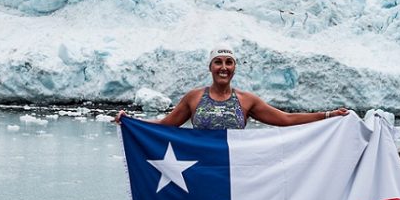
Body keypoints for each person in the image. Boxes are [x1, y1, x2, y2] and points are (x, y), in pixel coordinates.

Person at [115, 45, 349, 128]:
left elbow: (285, 120)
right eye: (218, 62)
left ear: (235, 68)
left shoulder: (247, 101)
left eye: (229, 62)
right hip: (199, 170)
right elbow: (166, 126)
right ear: (210, 67)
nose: (223, 67)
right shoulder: (194, 98)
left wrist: (328, 115)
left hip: (234, 172)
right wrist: (131, 123)